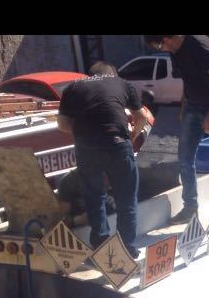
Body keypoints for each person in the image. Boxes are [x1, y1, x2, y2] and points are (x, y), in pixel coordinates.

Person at [143, 35, 209, 232]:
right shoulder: (174, 50)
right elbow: (187, 78)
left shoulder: (198, 45)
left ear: (167, 37)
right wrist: (184, 105)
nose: (163, 50)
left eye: (161, 45)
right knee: (185, 158)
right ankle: (190, 208)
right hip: (193, 106)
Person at [56, 61, 148, 257]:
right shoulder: (122, 83)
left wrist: (85, 134)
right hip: (117, 143)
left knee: (94, 197)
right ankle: (127, 249)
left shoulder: (73, 88)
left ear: (89, 75)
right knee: (126, 199)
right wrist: (132, 137)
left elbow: (62, 125)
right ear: (112, 73)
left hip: (87, 147)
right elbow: (141, 117)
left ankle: (100, 247)